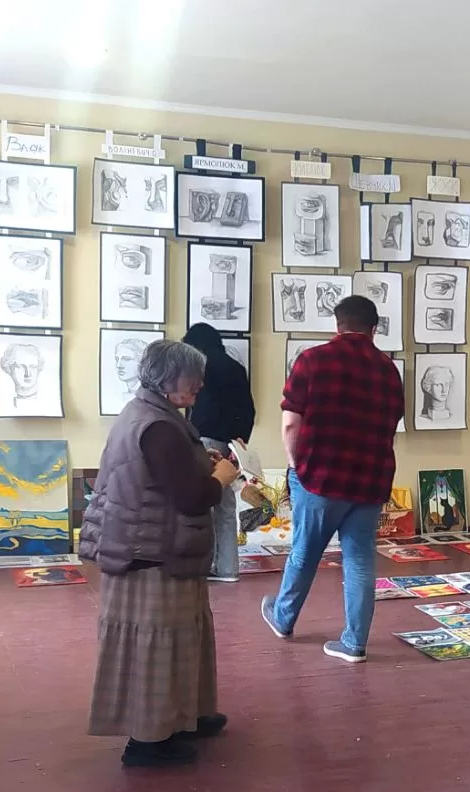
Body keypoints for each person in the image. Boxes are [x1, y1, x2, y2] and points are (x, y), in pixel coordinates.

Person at [81, 339, 241, 767]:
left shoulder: (148, 412)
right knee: (155, 648)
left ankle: (183, 717)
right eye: (193, 378)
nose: (200, 385)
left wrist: (199, 459)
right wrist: (222, 477)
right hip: (150, 554)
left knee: (180, 639)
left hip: (151, 545)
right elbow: (191, 498)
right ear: (168, 379)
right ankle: (148, 742)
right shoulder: (158, 426)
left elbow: (167, 471)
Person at [261, 295, 404, 663]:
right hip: (370, 481)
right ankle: (355, 643)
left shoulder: (312, 361)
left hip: (320, 478)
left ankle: (283, 618)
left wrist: (296, 465)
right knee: (360, 560)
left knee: (305, 552)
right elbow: (390, 428)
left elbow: (291, 423)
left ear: (337, 326)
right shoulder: (389, 371)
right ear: (374, 329)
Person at [181, 323, 256, 583]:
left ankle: (203, 566)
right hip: (229, 442)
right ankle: (228, 568)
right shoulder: (236, 367)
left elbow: (195, 408)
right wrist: (239, 439)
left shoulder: (199, 366)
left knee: (202, 503)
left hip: (204, 440)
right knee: (225, 506)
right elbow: (249, 410)